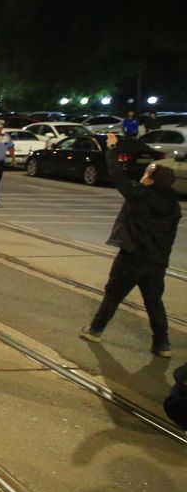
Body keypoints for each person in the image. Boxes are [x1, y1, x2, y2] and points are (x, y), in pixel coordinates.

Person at [80, 134, 181, 356]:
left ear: (151, 180)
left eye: (147, 174)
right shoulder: (174, 206)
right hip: (157, 261)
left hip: (132, 258)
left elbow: (116, 174)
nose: (143, 176)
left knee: (113, 295)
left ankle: (95, 330)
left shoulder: (139, 196)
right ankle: (162, 343)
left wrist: (112, 149)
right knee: (154, 302)